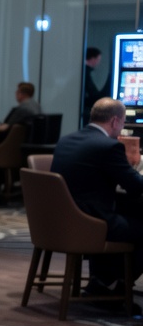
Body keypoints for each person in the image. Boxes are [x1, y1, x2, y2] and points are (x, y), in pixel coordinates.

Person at [52, 97, 143, 295]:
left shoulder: (66, 140)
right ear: (115, 121)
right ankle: (117, 286)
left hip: (58, 222)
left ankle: (102, 281)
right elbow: (135, 186)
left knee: (126, 214)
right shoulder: (109, 147)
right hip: (90, 224)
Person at [83, 47, 106, 127]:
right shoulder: (85, 73)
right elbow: (93, 95)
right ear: (93, 59)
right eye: (98, 60)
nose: (98, 63)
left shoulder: (83, 72)